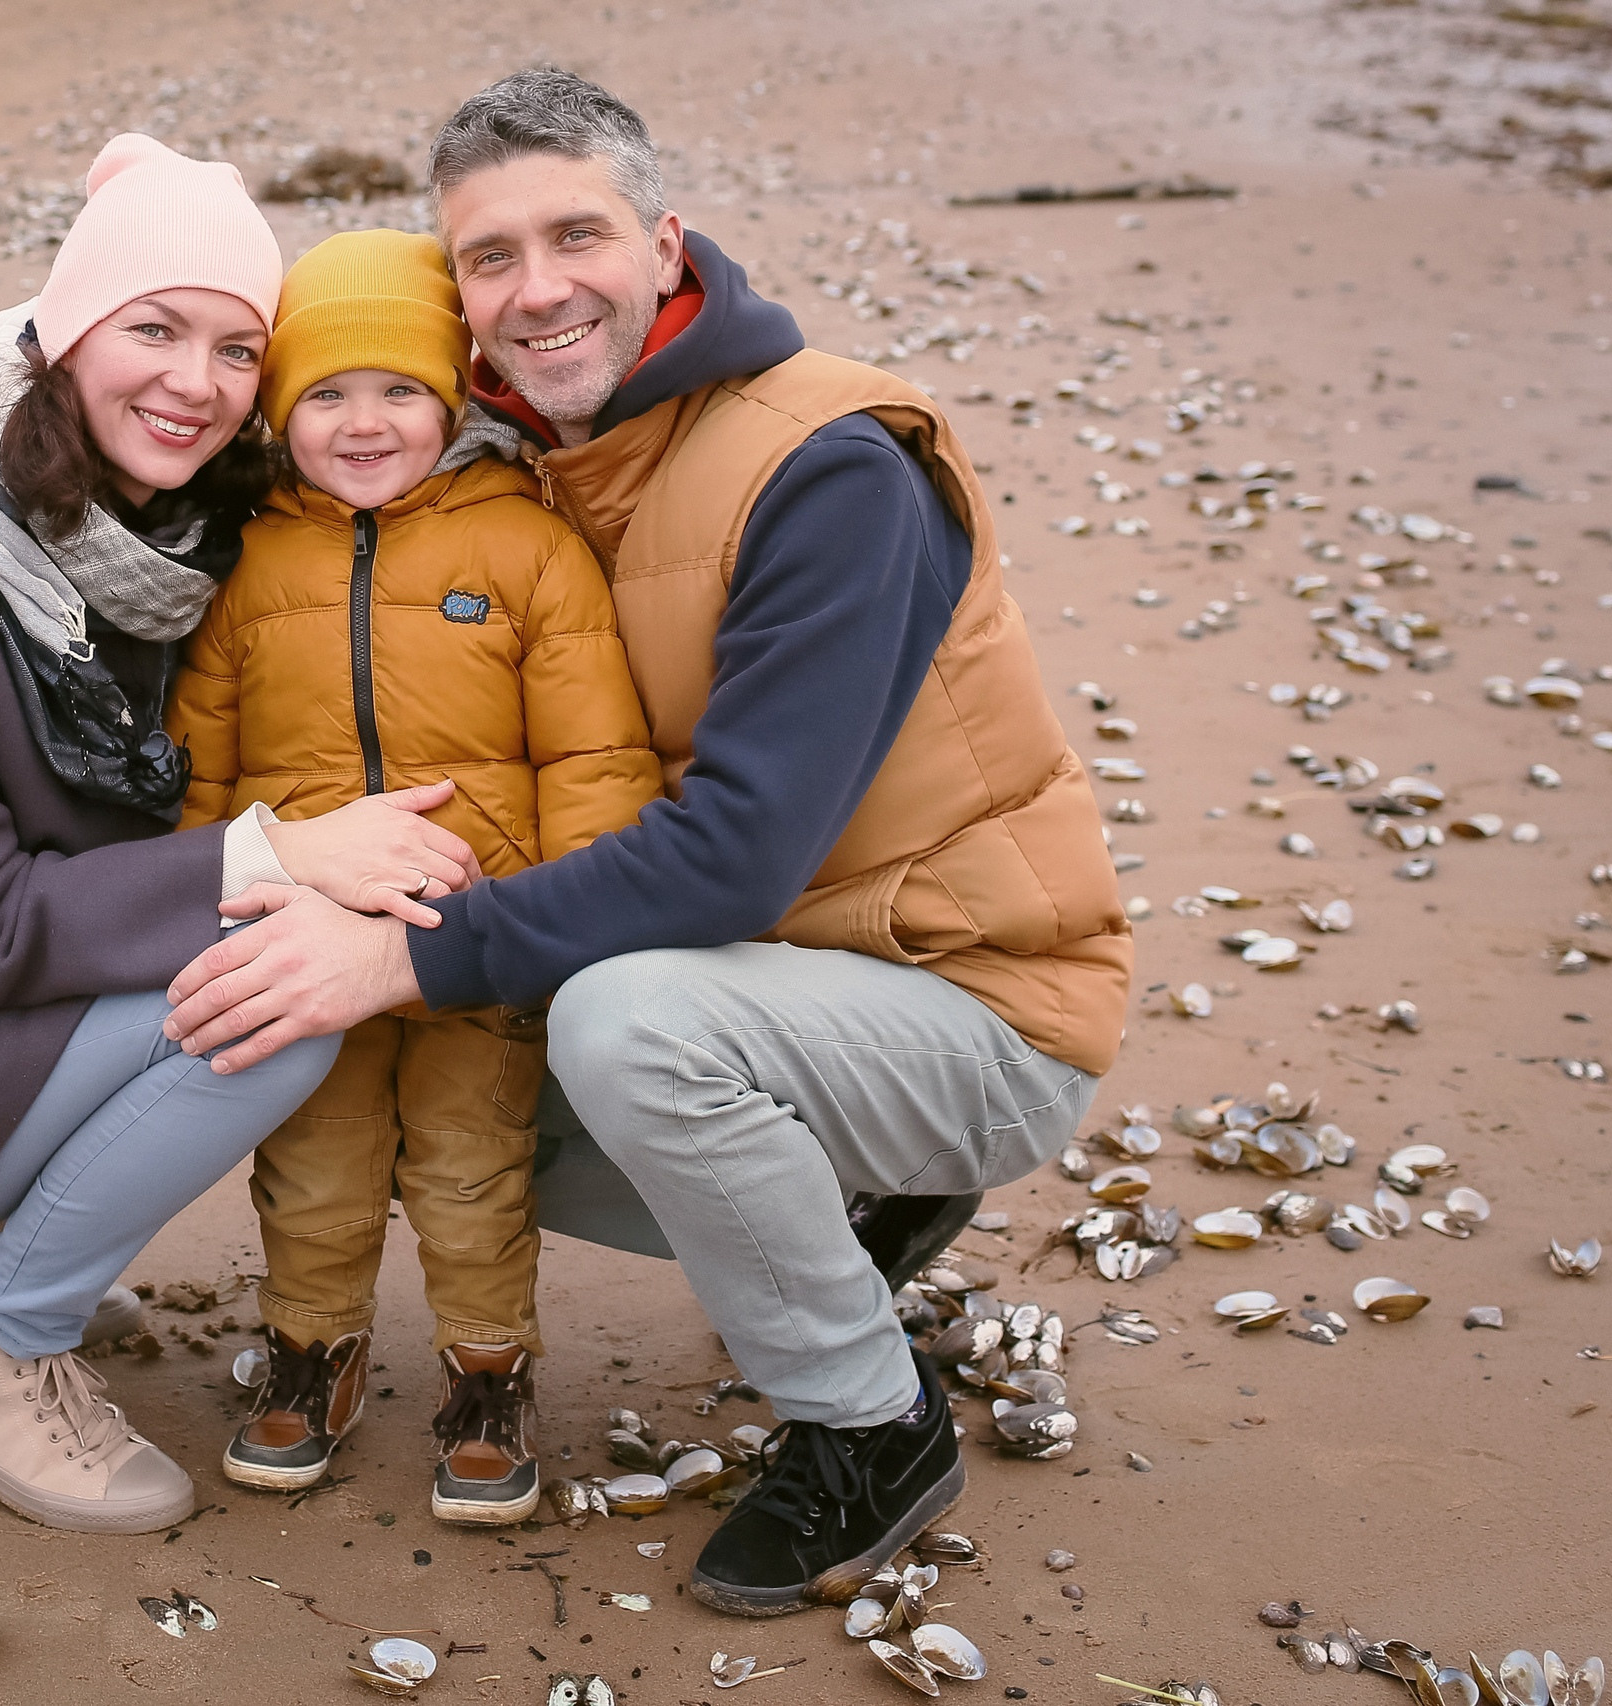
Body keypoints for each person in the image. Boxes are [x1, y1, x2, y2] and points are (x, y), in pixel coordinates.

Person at [161, 72, 1133, 1610]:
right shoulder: (536, 451)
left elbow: (735, 854)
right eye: (492, 257)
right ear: (460, 305)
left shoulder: (829, 470)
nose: (539, 286)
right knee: (466, 1096)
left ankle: (872, 1427)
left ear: (666, 243)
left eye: (578, 234)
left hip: (973, 997)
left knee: (612, 1023)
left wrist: (394, 958)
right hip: (792, 975)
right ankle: (845, 1196)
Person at [0, 134, 479, 1535]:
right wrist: (285, 853)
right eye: (156, 328)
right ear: (66, 332)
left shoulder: (153, 543)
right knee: (286, 994)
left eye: (238, 350)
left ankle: (18, 1214)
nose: (195, 382)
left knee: (269, 950)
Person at [166, 229, 661, 1523]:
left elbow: (595, 749)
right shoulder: (252, 564)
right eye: (326, 393)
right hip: (301, 939)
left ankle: (488, 1372)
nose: (365, 420)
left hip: (474, 935)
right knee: (312, 1163)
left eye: (398, 389)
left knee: (471, 1166)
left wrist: (571, 922)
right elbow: (203, 768)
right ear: (281, 412)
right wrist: (196, 903)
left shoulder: (526, 546)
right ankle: (310, 1350)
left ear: (452, 394)